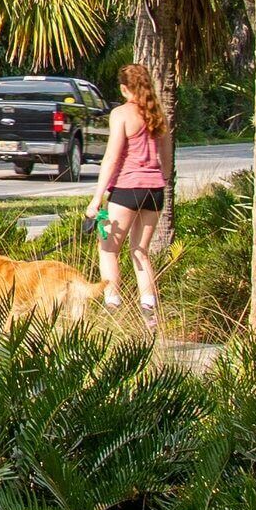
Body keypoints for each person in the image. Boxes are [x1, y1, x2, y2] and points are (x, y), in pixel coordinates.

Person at [86, 63, 173, 330]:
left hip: (127, 189)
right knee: (140, 252)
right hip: (154, 191)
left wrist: (96, 199)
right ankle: (149, 311)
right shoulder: (157, 114)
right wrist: (160, 179)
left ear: (124, 89)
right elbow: (166, 159)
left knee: (108, 249)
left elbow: (112, 157)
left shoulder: (121, 114)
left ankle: (112, 306)